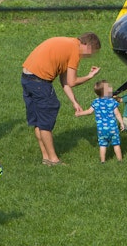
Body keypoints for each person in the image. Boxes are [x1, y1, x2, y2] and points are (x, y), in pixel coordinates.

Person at [21, 32, 102, 166]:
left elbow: (64, 80)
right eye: (92, 51)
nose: (90, 55)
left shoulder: (68, 44)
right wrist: (90, 76)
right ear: (86, 45)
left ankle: (46, 157)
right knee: (47, 115)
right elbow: (72, 81)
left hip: (27, 78)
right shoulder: (75, 51)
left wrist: (74, 101)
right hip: (39, 81)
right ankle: (54, 160)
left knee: (38, 119)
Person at [75, 79, 125, 163]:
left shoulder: (96, 102)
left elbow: (89, 111)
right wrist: (122, 123)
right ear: (106, 92)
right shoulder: (112, 101)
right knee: (116, 144)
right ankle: (120, 161)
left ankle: (102, 161)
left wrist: (79, 114)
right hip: (112, 128)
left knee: (102, 145)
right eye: (109, 88)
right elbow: (117, 114)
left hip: (101, 129)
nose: (111, 88)